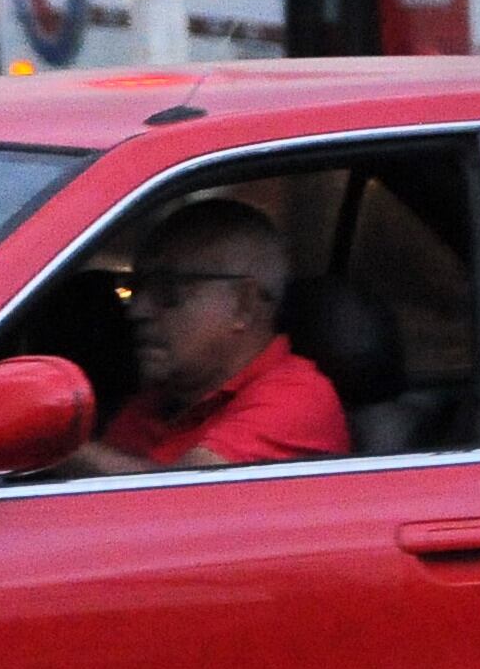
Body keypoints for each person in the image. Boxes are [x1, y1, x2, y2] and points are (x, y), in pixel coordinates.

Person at [68, 198, 350, 473]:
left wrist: (52, 447)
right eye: (135, 287)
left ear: (244, 305)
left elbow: (176, 503)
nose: (137, 310)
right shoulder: (162, 397)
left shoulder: (298, 400)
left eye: (167, 289)